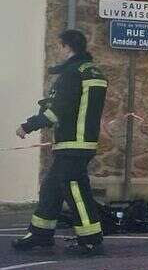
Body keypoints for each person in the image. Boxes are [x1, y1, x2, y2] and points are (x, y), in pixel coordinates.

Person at [13, 29, 108, 256]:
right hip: (82, 143)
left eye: (60, 46)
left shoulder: (72, 74)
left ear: (67, 46)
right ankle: (40, 234)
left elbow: (58, 111)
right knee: (51, 188)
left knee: (75, 189)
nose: (58, 50)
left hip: (71, 143)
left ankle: (91, 239)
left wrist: (28, 126)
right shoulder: (93, 72)